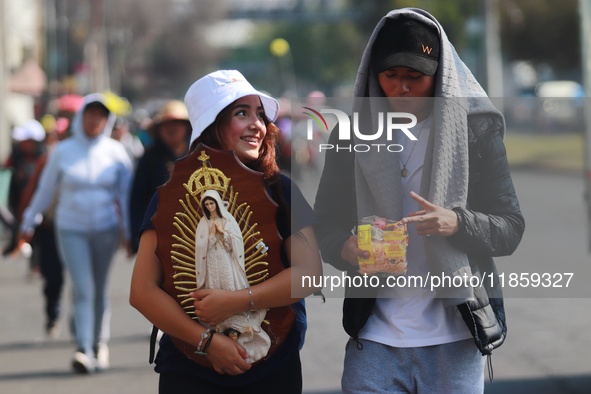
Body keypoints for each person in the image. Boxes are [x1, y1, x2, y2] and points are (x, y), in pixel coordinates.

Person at [314, 8, 525, 393]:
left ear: (440, 75)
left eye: (415, 77)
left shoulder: (475, 132)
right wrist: (344, 248)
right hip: (375, 337)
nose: (402, 88)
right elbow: (324, 223)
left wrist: (457, 223)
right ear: (372, 74)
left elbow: (511, 228)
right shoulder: (349, 136)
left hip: (456, 338)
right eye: (390, 76)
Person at [130, 69, 322, 393]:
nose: (256, 125)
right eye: (241, 113)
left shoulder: (282, 191)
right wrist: (206, 341)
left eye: (260, 114)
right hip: (189, 368)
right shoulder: (170, 196)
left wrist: (236, 301)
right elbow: (143, 292)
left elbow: (310, 273)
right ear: (212, 125)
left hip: (271, 366)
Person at [19, 93, 133, 374]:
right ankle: (83, 347)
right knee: (83, 288)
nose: (96, 120)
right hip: (71, 228)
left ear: (108, 121)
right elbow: (45, 190)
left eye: (101, 116)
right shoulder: (63, 151)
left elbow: (125, 196)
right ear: (82, 117)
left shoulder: (117, 152)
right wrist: (28, 220)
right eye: (91, 114)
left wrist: (129, 232)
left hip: (106, 229)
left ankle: (99, 343)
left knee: (99, 288)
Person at [196, 190, 270, 364]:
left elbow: (236, 242)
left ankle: (236, 314)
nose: (210, 206)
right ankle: (220, 324)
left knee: (230, 284)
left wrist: (223, 233)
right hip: (212, 261)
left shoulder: (228, 219)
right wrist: (211, 238)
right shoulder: (203, 223)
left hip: (227, 260)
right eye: (206, 205)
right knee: (215, 284)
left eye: (212, 203)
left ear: (217, 203)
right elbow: (200, 247)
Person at [129, 100, 191, 254]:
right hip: (156, 232)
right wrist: (137, 234)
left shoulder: (197, 154)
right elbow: (138, 197)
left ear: (187, 127)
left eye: (177, 123)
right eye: (167, 124)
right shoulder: (150, 157)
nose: (172, 128)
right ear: (159, 129)